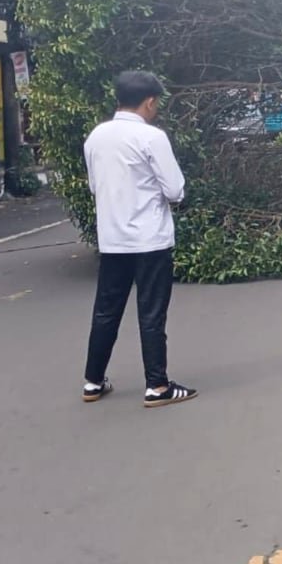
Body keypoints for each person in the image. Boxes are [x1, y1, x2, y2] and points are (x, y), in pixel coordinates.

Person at [82, 71, 196, 408]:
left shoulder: (96, 137)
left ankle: (93, 381)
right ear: (149, 101)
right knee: (151, 312)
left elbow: (93, 186)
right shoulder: (152, 137)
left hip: (112, 239)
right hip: (150, 239)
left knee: (106, 311)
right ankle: (157, 386)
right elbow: (175, 190)